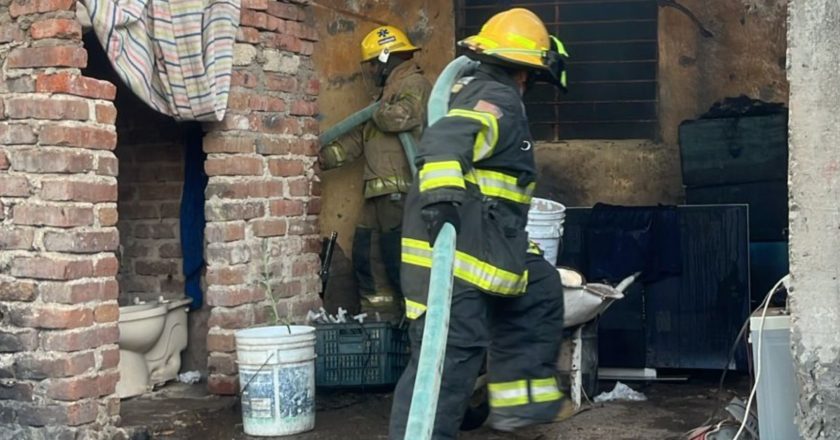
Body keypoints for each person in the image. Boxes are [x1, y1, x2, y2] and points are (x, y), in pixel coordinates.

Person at [388, 8, 572, 438]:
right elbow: (444, 143)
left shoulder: (485, 93)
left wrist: (518, 247)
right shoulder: (496, 97)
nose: (529, 87)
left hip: (480, 250)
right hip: (451, 264)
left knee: (541, 286)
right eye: (531, 78)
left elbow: (495, 198)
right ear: (524, 73)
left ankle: (515, 404)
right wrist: (443, 202)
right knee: (446, 366)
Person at [320, 26, 432, 322]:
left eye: (373, 62)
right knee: (367, 262)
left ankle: (416, 337)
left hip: (402, 197)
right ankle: (380, 329)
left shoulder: (414, 83)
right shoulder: (386, 95)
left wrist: (378, 109)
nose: (371, 69)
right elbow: (355, 141)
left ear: (387, 56)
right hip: (376, 198)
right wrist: (315, 158)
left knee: (401, 268)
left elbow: (400, 117)